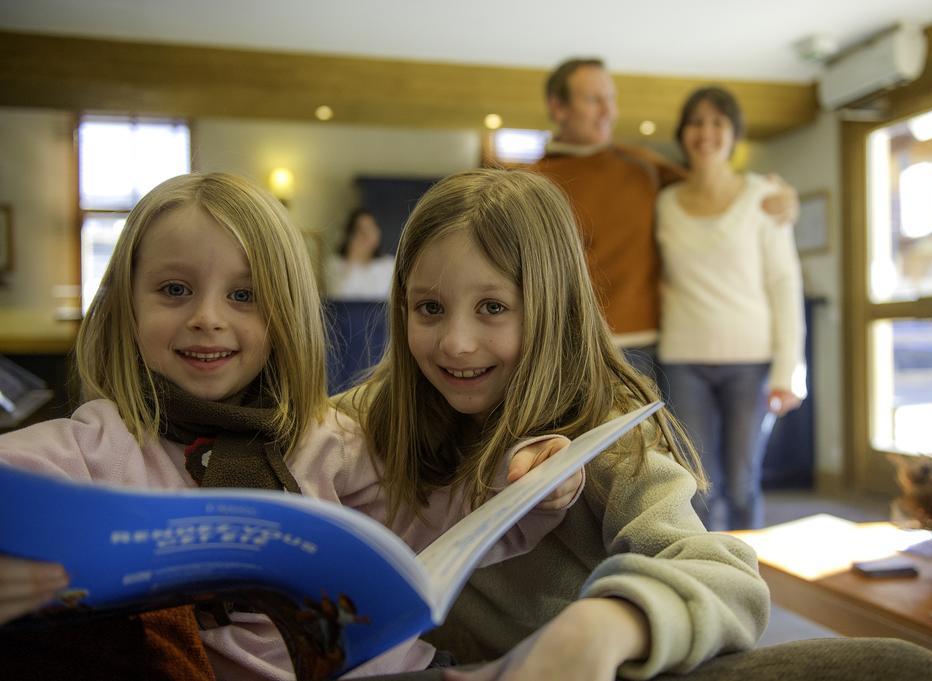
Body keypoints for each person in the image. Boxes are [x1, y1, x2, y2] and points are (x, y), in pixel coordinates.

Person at [0, 172, 580, 680]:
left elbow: (440, 525)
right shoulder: (98, 443)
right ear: (127, 305)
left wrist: (531, 485)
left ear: (285, 313)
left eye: (244, 295)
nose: (207, 318)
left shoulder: (329, 439)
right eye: (174, 290)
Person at [338, 167, 771, 680]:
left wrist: (607, 623)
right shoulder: (371, 416)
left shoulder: (605, 433)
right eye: (429, 308)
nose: (455, 342)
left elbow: (727, 576)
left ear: (551, 309)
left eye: (492, 307)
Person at [533, 58, 798, 379]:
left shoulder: (641, 166)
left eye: (611, 99)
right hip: (570, 351)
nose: (609, 111)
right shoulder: (532, 183)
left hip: (643, 350)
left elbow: (712, 186)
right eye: (593, 100)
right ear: (558, 107)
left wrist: (784, 197)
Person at [655, 86, 805, 532]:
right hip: (684, 359)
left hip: (750, 361)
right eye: (696, 122)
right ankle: (701, 586)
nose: (706, 132)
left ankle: (747, 591)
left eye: (718, 123)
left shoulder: (764, 197)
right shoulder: (664, 203)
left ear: (734, 135)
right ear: (682, 134)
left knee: (742, 484)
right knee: (695, 486)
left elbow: (784, 284)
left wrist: (786, 372)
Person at [325, 207, 395, 301]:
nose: (366, 235)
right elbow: (336, 296)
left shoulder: (388, 264)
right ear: (350, 236)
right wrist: (353, 257)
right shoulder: (334, 264)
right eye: (361, 231)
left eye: (371, 228)